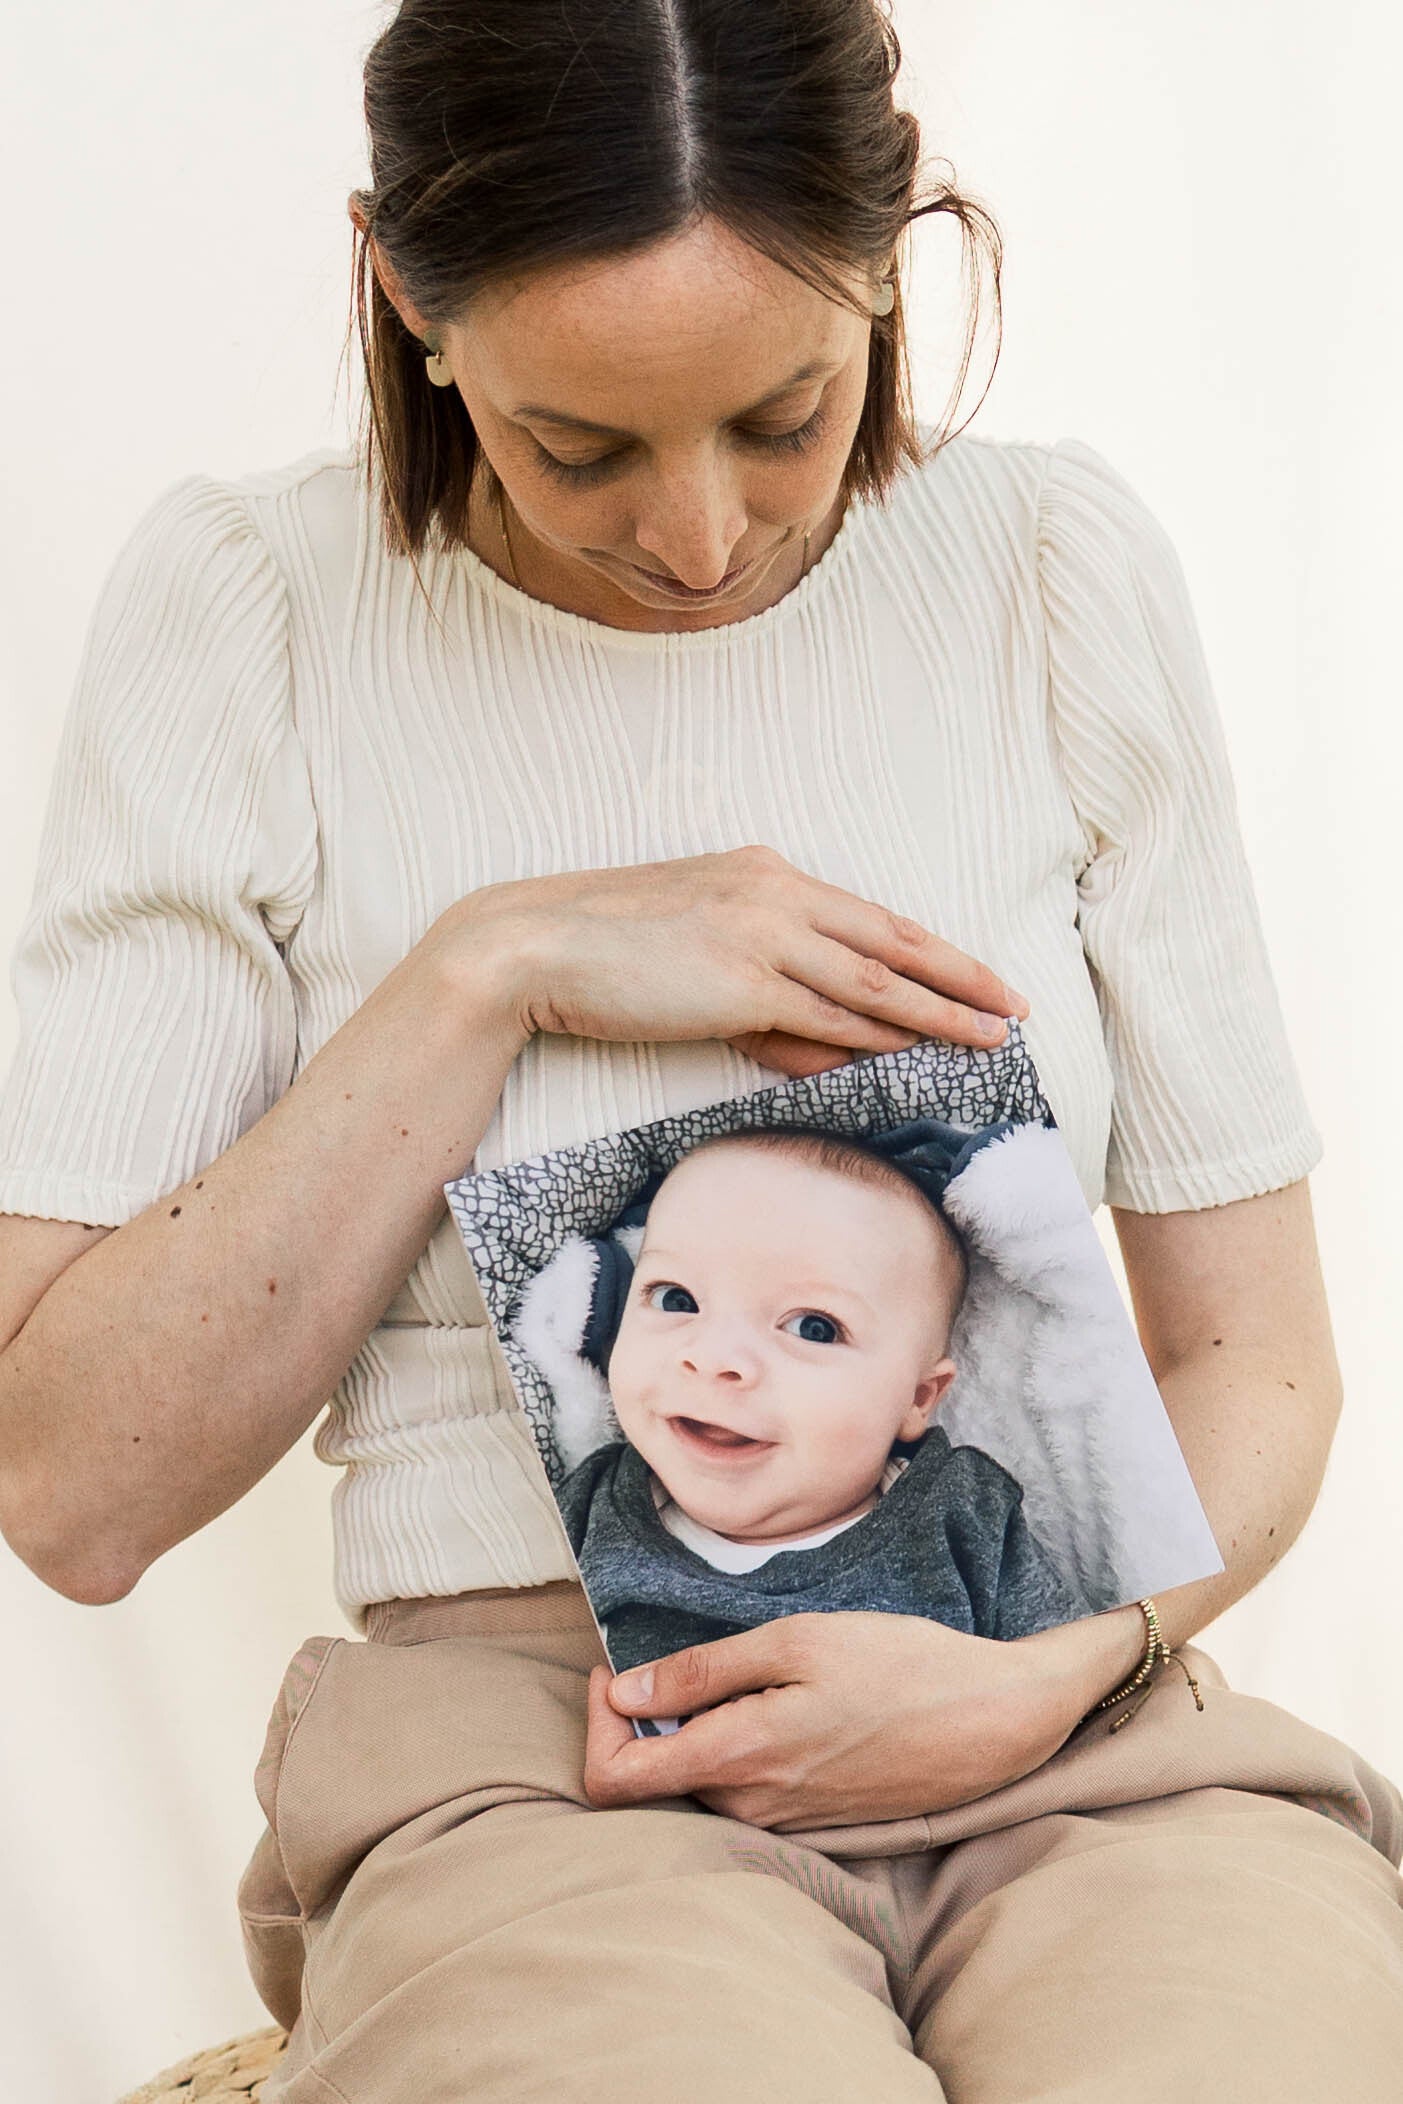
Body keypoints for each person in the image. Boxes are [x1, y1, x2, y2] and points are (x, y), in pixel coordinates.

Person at [0, 1, 1400, 2096]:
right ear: (407, 296)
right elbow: (70, 1486)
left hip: (1069, 1723)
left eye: (786, 412)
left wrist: (1041, 1664)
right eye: (576, 447)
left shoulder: (1046, 570)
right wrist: (495, 964)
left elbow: (1255, 1353)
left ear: (889, 254)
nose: (697, 534)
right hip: (549, 1761)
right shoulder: (254, 611)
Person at [554, 1125, 1079, 1693]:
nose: (713, 1359)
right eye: (676, 1299)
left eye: (814, 1328)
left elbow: (1060, 1682)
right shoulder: (590, 1508)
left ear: (918, 1398)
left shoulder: (962, 1518)